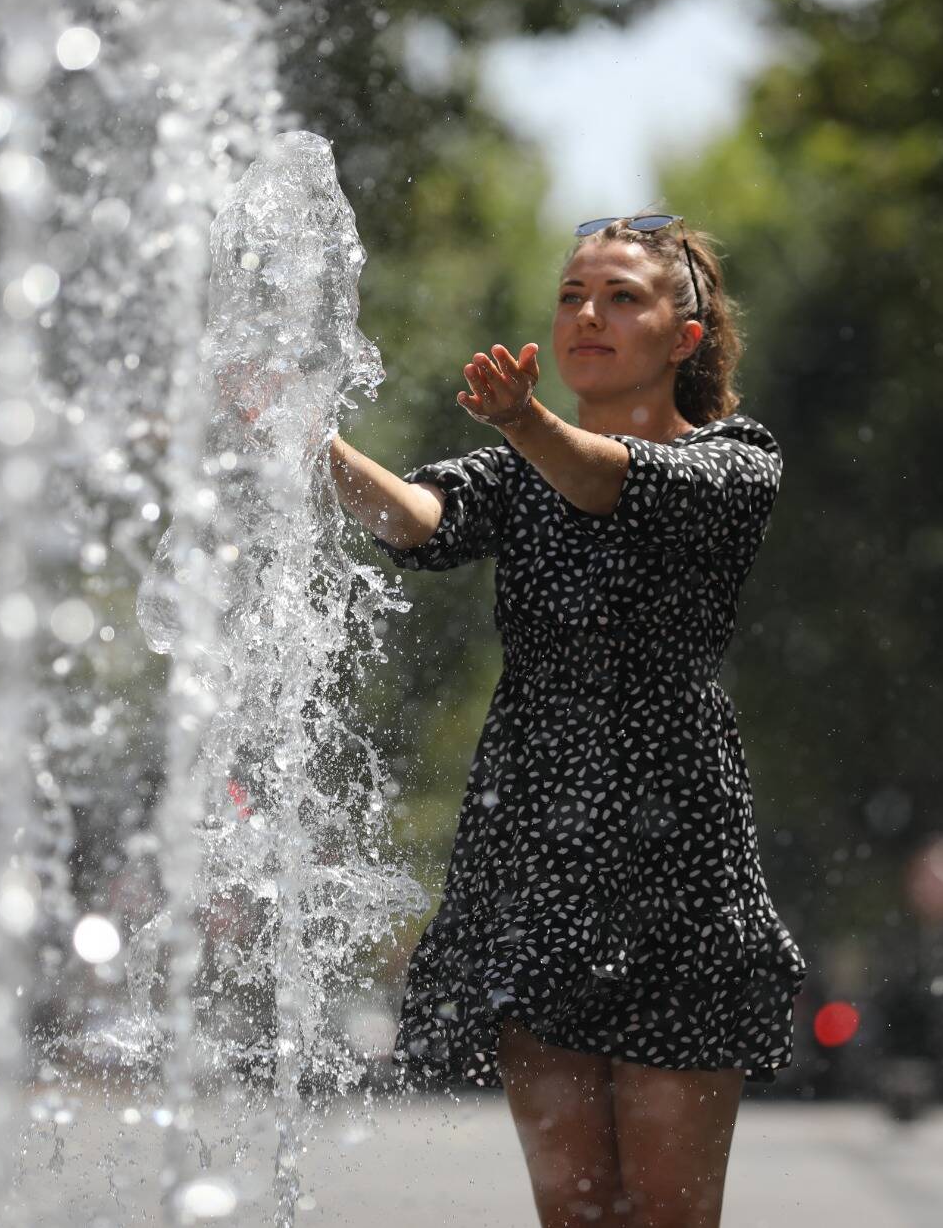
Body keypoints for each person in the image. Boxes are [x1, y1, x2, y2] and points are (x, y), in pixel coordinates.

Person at [328, 214, 807, 1227]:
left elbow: (610, 483)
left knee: (665, 1214)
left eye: (621, 296)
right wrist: (303, 439)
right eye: (571, 295)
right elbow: (414, 516)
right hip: (533, 856)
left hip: (674, 868)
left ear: (683, 337)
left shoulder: (734, 462)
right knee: (575, 1212)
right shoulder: (517, 472)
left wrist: (523, 421)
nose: (587, 314)